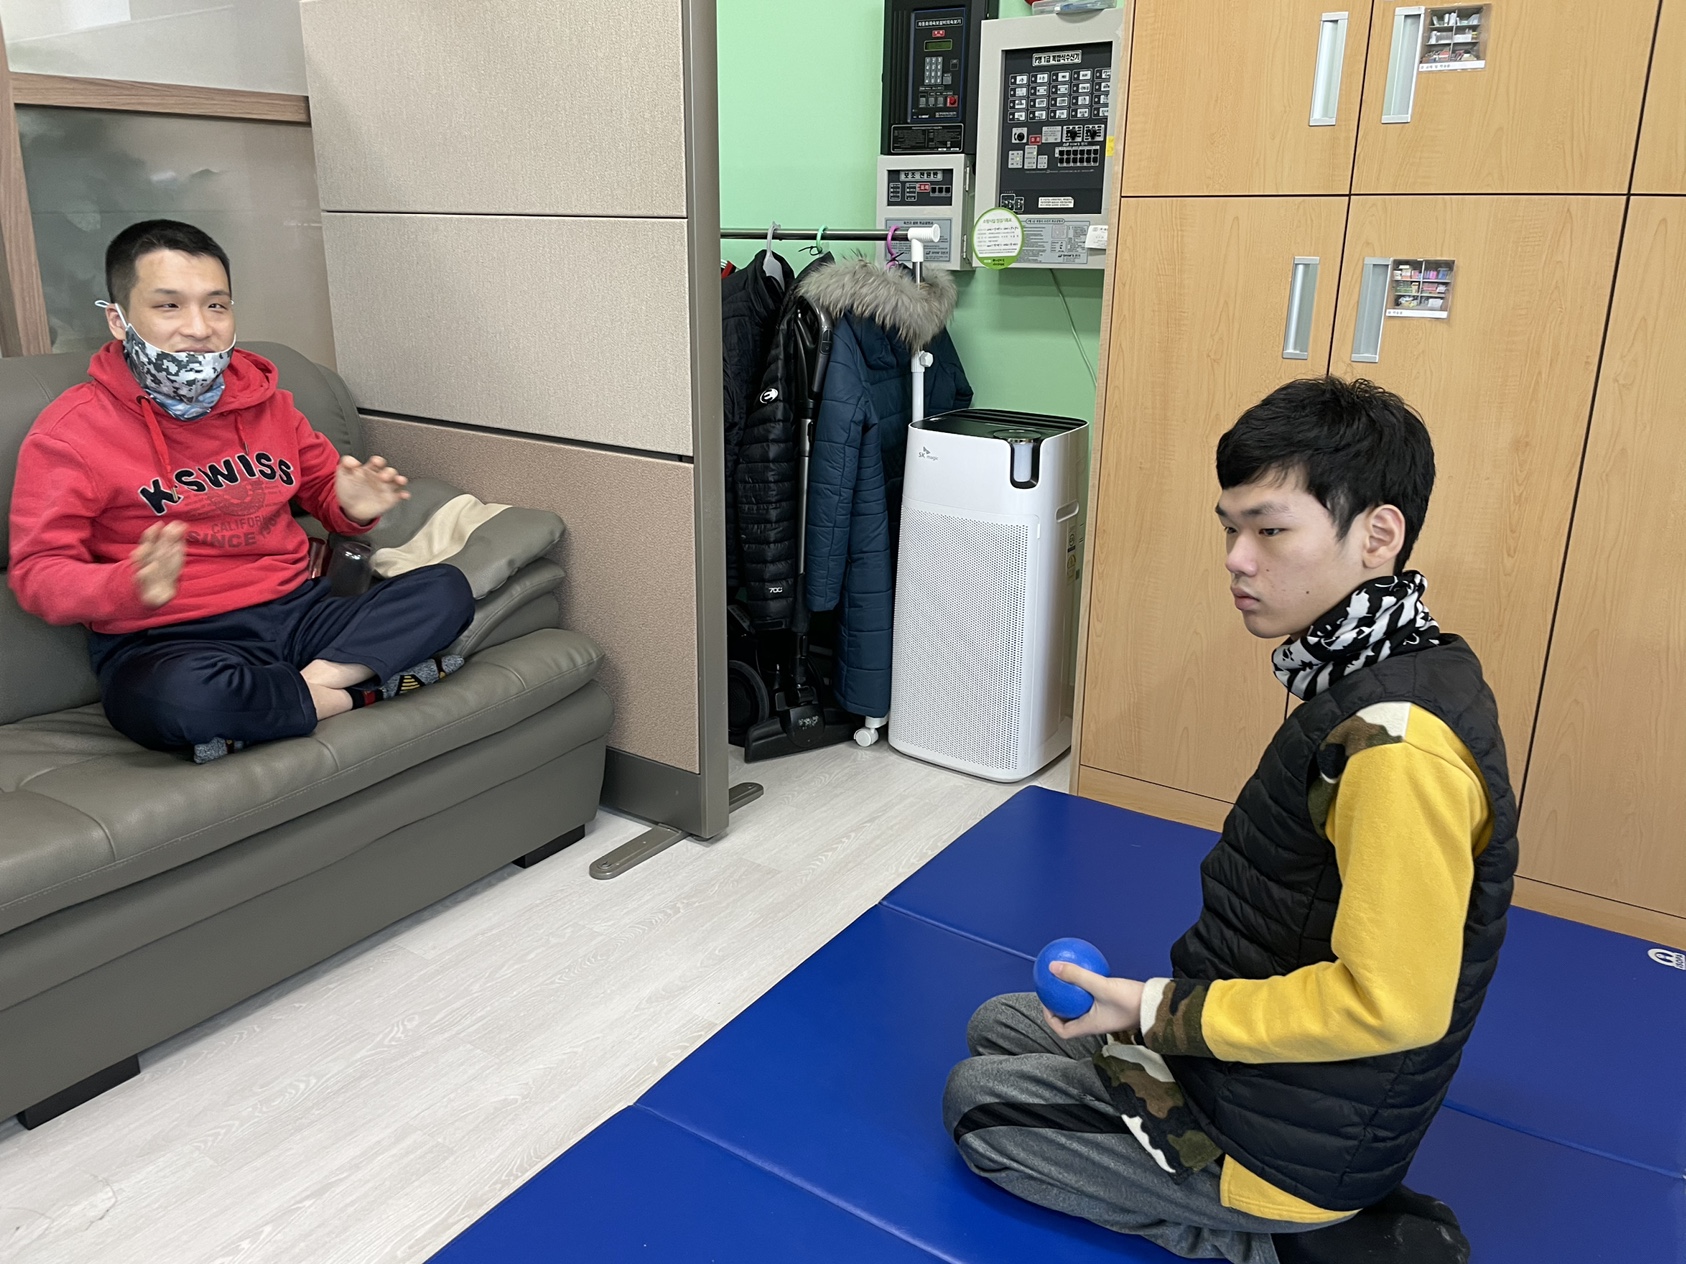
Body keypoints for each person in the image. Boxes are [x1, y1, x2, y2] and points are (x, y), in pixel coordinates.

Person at [944, 378, 1514, 1264]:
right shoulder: (1386, 663)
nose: (1237, 560)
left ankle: (1292, 1246)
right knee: (1003, 1023)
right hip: (1248, 1071)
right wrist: (1156, 1014)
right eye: (1230, 529)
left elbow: (1395, 1008)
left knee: (980, 1107)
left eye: (1269, 530)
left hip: (1282, 1144)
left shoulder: (1397, 746)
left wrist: (1155, 1008)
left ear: (1378, 535)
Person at [7, 219, 475, 762]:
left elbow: (325, 492)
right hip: (170, 639)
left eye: (216, 305)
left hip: (297, 610)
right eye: (168, 306)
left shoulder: (269, 403)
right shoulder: (70, 433)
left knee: (445, 590)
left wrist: (350, 505)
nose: (198, 328)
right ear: (119, 319)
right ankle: (352, 692)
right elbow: (37, 572)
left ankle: (298, 695)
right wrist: (124, 584)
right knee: (177, 701)